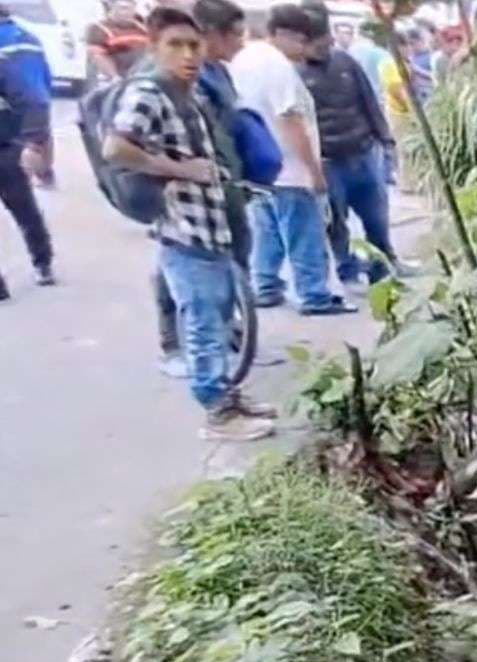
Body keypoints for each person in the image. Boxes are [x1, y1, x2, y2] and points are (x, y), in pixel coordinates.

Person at [104, 5, 274, 440]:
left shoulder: (190, 92)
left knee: (217, 315)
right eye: (175, 45)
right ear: (154, 48)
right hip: (184, 231)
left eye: (193, 45)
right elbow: (116, 148)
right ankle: (217, 413)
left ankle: (228, 397)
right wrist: (180, 169)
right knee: (203, 323)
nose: (187, 54)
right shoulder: (149, 93)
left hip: (210, 225)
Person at [230, 4, 352, 314]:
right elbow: (290, 120)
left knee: (267, 229)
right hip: (290, 167)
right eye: (303, 41)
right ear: (285, 35)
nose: (306, 50)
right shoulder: (277, 66)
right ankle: (314, 294)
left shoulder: (244, 58)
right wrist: (314, 170)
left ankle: (266, 285)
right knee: (304, 232)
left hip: (260, 165)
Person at [155, 0, 254, 376]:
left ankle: (227, 337)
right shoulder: (158, 84)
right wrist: (180, 170)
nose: (241, 43)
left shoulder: (216, 74)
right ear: (211, 34)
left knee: (230, 263)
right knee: (185, 275)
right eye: (235, 35)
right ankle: (178, 349)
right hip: (184, 199)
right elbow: (121, 147)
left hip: (223, 187)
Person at [297, 0, 396, 291]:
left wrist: (385, 138)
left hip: (363, 153)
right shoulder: (294, 74)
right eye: (316, 42)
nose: (324, 46)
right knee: (336, 223)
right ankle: (348, 271)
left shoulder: (345, 62)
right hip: (328, 162)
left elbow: (368, 100)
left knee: (377, 217)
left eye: (326, 39)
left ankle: (384, 266)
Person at [0, 2, 50, 294]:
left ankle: (42, 261)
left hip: (4, 148)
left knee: (23, 208)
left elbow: (31, 100)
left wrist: (32, 142)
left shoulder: (4, 62)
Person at [0, 2, 53, 188]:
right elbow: (46, 73)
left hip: (13, 103)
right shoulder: (30, 37)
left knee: (21, 149)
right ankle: (44, 176)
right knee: (37, 140)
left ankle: (27, 182)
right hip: (39, 98)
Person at [85, 0, 148, 81]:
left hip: (140, 77)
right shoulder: (97, 28)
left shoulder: (144, 29)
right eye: (123, 8)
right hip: (112, 79)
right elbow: (98, 56)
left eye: (131, 9)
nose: (127, 13)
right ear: (112, 7)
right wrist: (115, 77)